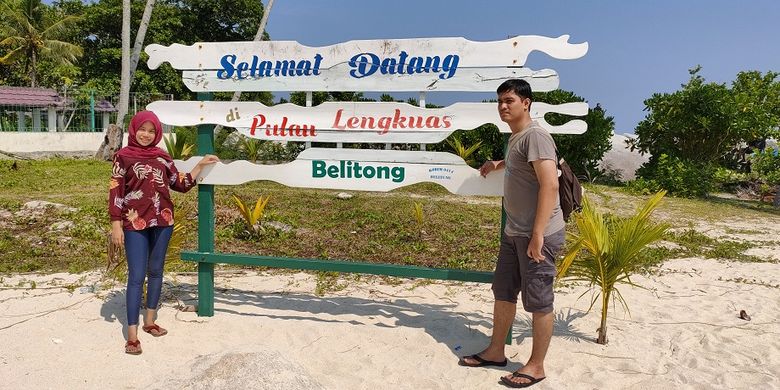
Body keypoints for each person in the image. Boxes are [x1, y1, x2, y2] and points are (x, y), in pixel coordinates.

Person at [460, 79, 565, 388]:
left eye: (509, 100)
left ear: (526, 103)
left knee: (539, 300)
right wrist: (498, 163)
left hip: (538, 235)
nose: (503, 106)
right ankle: (495, 351)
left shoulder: (536, 135)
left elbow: (550, 184)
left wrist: (537, 235)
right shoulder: (518, 137)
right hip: (514, 231)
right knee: (503, 291)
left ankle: (536, 366)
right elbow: (523, 163)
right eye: (500, 101)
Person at [109, 110, 219, 355]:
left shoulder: (163, 157)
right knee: (137, 275)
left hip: (162, 220)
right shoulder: (123, 156)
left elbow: (179, 184)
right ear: (134, 129)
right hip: (134, 222)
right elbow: (116, 191)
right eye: (142, 129)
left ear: (157, 133)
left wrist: (200, 165)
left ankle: (149, 322)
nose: (146, 134)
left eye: (151, 130)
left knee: (156, 271)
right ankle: (132, 335)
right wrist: (116, 224)